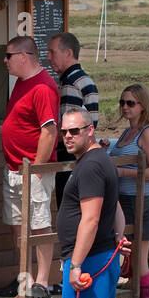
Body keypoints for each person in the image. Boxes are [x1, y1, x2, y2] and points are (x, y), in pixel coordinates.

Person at [55, 106, 126, 298]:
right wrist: (119, 240)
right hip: (100, 257)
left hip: (89, 265)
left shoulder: (91, 166)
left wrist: (75, 265)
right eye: (64, 131)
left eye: (75, 131)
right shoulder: (99, 161)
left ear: (90, 130)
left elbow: (93, 217)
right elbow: (117, 209)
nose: (68, 136)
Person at [0, 35, 59, 298]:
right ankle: (26, 279)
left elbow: (49, 130)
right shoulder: (21, 84)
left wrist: (36, 168)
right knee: (18, 226)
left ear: (24, 57)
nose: (5, 61)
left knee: (39, 225)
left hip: (33, 170)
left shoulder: (43, 87)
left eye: (9, 56)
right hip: (14, 167)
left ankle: (42, 282)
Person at [107, 84, 149, 298]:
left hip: (145, 200)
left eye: (131, 103)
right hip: (126, 201)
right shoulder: (126, 133)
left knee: (140, 262)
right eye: (122, 102)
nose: (125, 107)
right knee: (130, 260)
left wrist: (122, 172)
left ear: (142, 106)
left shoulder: (148, 133)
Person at [48, 31, 99, 202]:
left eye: (52, 52)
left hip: (71, 160)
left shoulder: (70, 83)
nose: (48, 57)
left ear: (68, 53)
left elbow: (69, 130)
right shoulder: (86, 80)